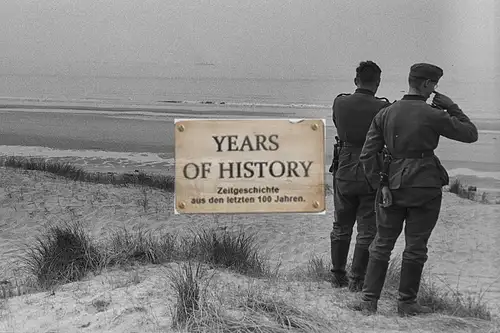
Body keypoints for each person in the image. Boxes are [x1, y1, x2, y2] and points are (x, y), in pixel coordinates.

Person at [349, 63, 478, 316]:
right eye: (433, 86)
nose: (433, 91)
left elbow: (367, 155)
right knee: (416, 247)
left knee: (382, 244)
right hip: (425, 186)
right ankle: (406, 303)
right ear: (427, 85)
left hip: (392, 186)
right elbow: (470, 133)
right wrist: (451, 106)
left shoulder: (386, 113)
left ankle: (368, 300)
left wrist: (380, 185)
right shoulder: (433, 114)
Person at [329, 61, 391, 291]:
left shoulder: (340, 101)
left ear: (356, 80)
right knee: (367, 228)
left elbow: (336, 122)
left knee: (341, 224)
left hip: (344, 164)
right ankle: (356, 280)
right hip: (370, 165)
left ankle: (337, 276)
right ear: (378, 83)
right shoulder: (382, 107)